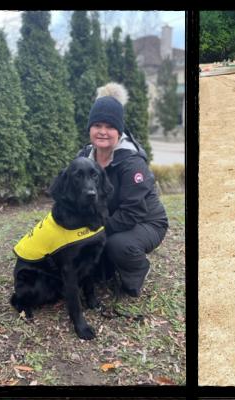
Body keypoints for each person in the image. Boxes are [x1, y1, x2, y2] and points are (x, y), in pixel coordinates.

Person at [78, 84, 169, 298]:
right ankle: (106, 269)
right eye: (97, 125)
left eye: (110, 126)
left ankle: (137, 271)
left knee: (118, 244)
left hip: (146, 221)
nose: (102, 132)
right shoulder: (84, 156)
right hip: (112, 217)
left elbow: (132, 213)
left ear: (119, 131)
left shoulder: (131, 163)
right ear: (90, 128)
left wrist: (93, 232)